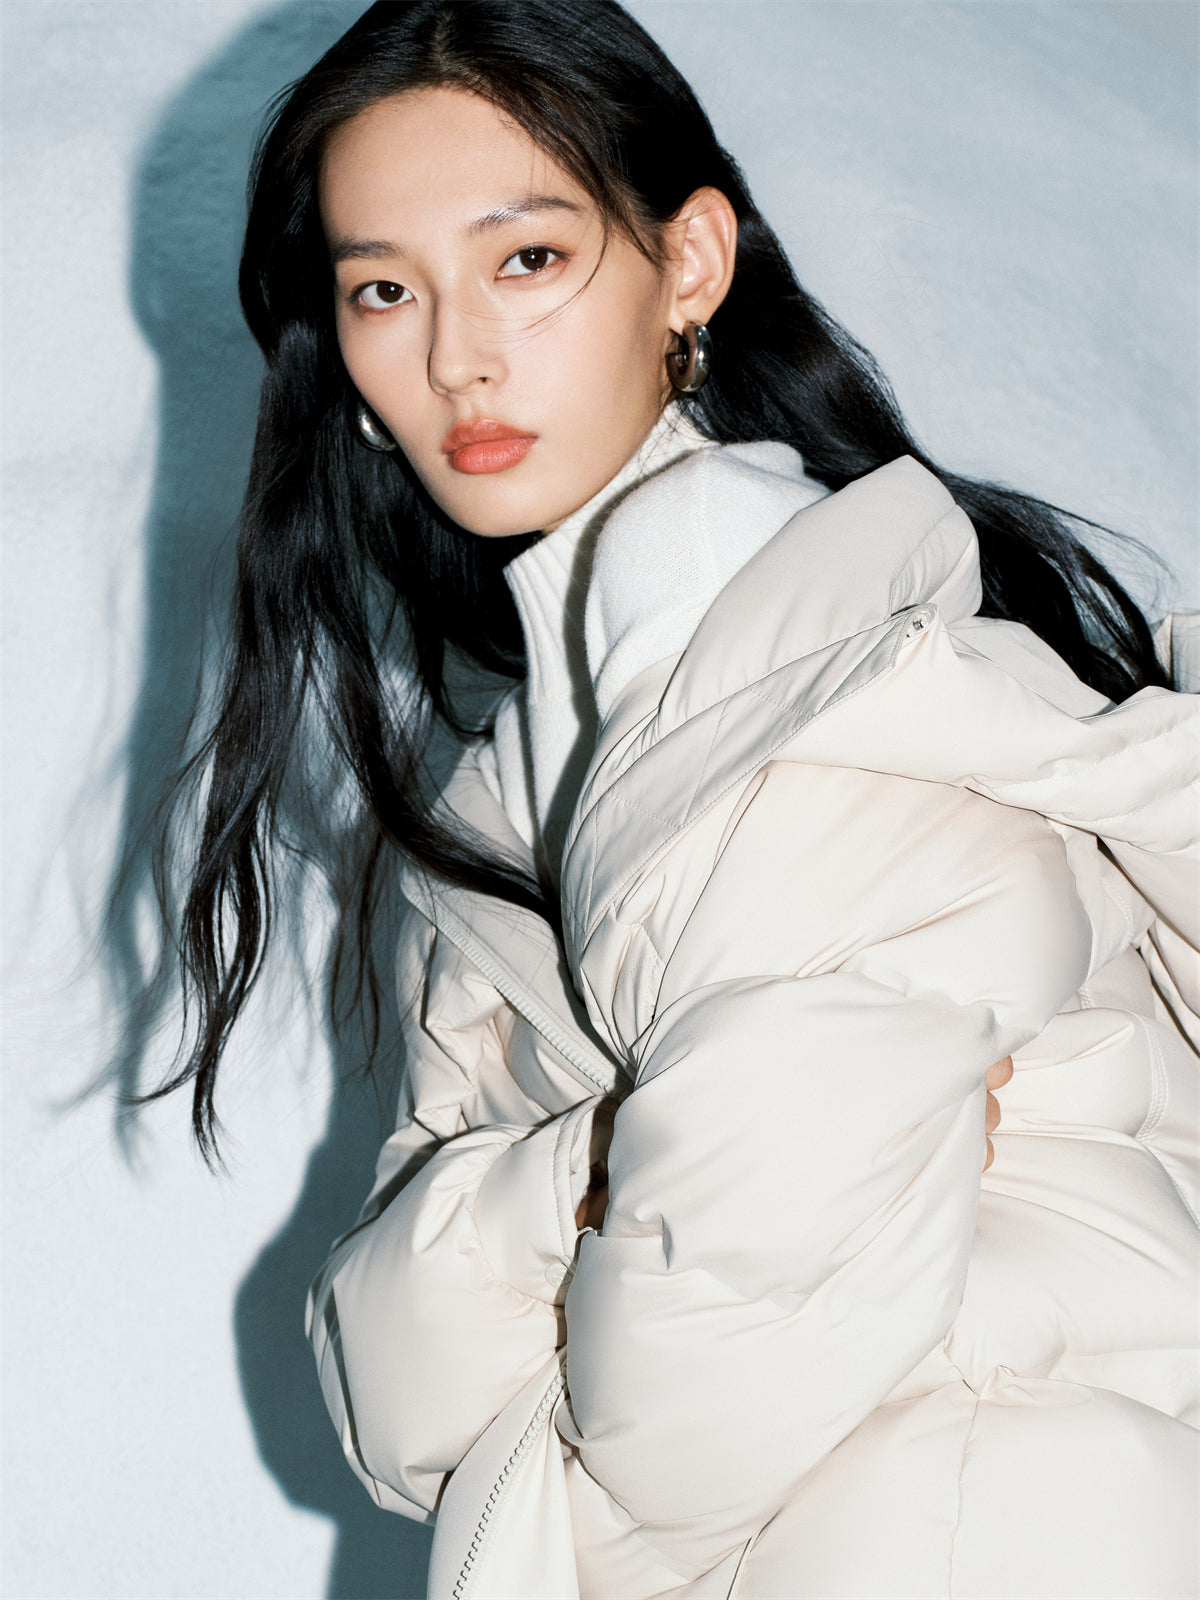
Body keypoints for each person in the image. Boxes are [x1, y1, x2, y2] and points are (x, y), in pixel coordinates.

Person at [155, 2, 1198, 1594]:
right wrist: (585, 1172)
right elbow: (389, 1407)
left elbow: (708, 1410)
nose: (455, 356)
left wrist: (530, 1288)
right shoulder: (502, 796)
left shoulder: (808, 661)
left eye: (527, 260)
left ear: (690, 263)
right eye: (385, 290)